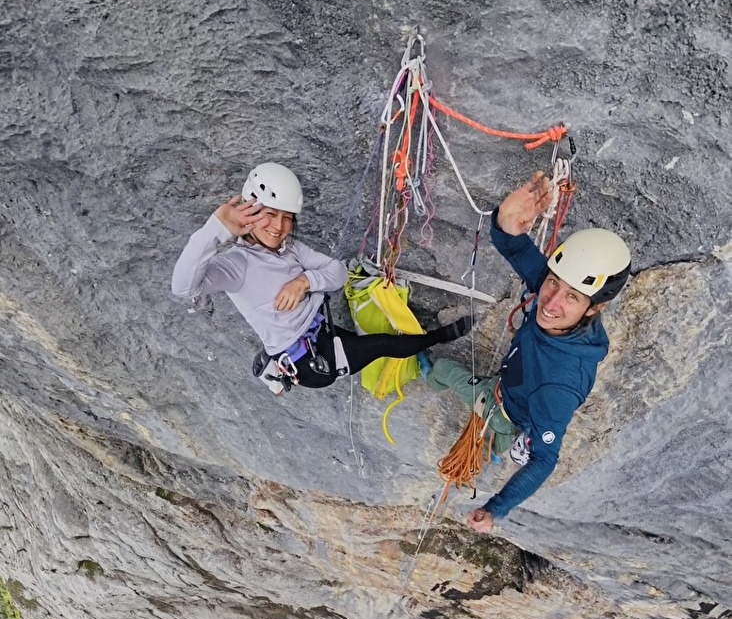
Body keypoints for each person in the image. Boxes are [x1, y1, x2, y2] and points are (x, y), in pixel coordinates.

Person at [421, 172, 631, 531]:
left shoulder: (559, 387)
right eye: (552, 283)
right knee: (446, 378)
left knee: (442, 372)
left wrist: (495, 509)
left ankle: (422, 369)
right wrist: (505, 221)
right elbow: (515, 246)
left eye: (572, 297)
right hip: (508, 387)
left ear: (594, 308)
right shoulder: (559, 294)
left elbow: (545, 459)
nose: (550, 302)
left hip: (507, 413)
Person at [171, 162, 470, 395]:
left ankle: (419, 351)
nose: (279, 227)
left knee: (371, 342)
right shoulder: (237, 265)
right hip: (312, 362)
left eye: (287, 217)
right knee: (383, 344)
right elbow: (183, 287)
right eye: (270, 214)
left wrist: (304, 282)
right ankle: (439, 338)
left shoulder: (291, 249)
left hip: (321, 332)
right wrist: (216, 228)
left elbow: (337, 272)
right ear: (249, 212)